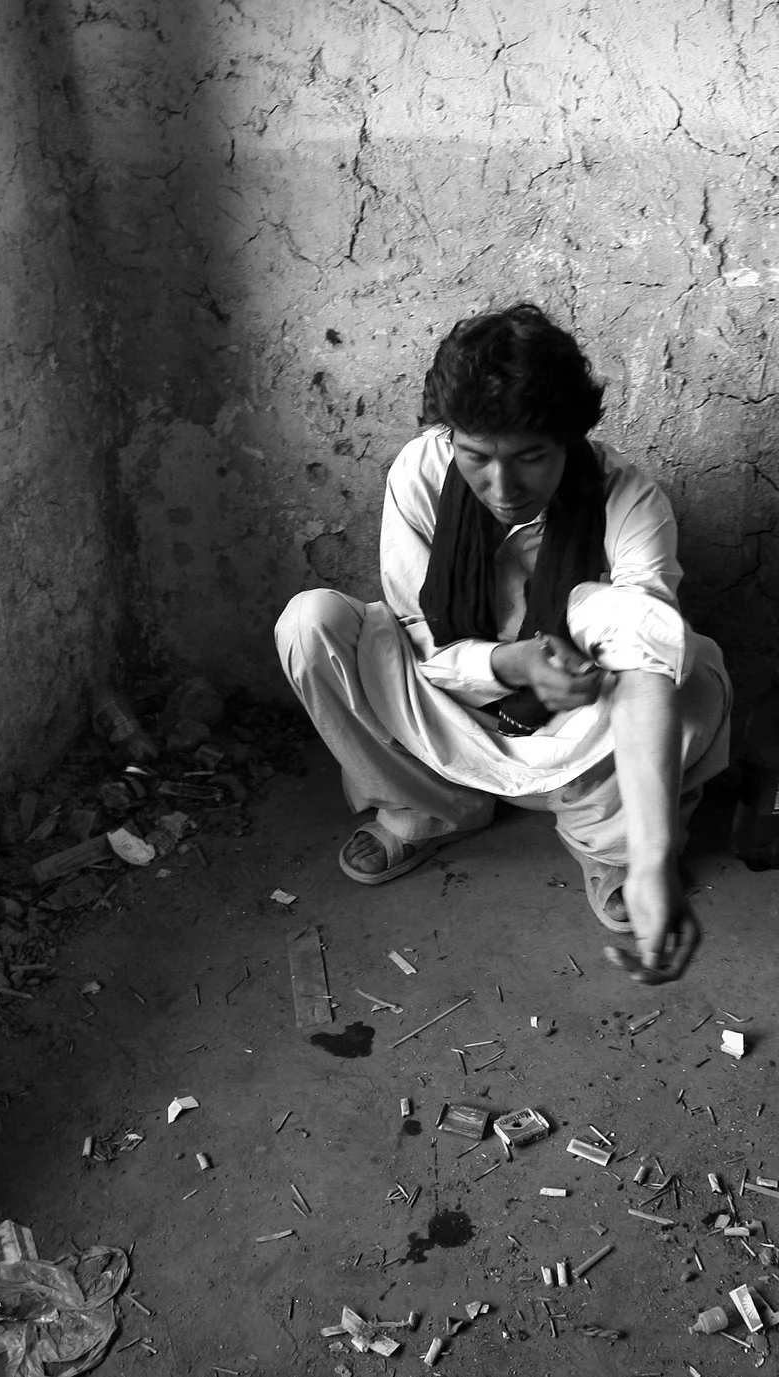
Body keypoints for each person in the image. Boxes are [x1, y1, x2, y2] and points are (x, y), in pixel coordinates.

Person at [274, 305, 732, 977]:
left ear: (570, 440)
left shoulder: (627, 500)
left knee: (690, 675)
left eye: (531, 457)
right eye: (477, 456)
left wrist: (656, 861)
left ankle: (616, 851)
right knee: (311, 624)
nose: (502, 486)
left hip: (578, 727)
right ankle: (425, 808)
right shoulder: (420, 473)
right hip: (451, 700)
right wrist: (510, 661)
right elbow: (420, 638)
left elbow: (646, 663)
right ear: (449, 436)